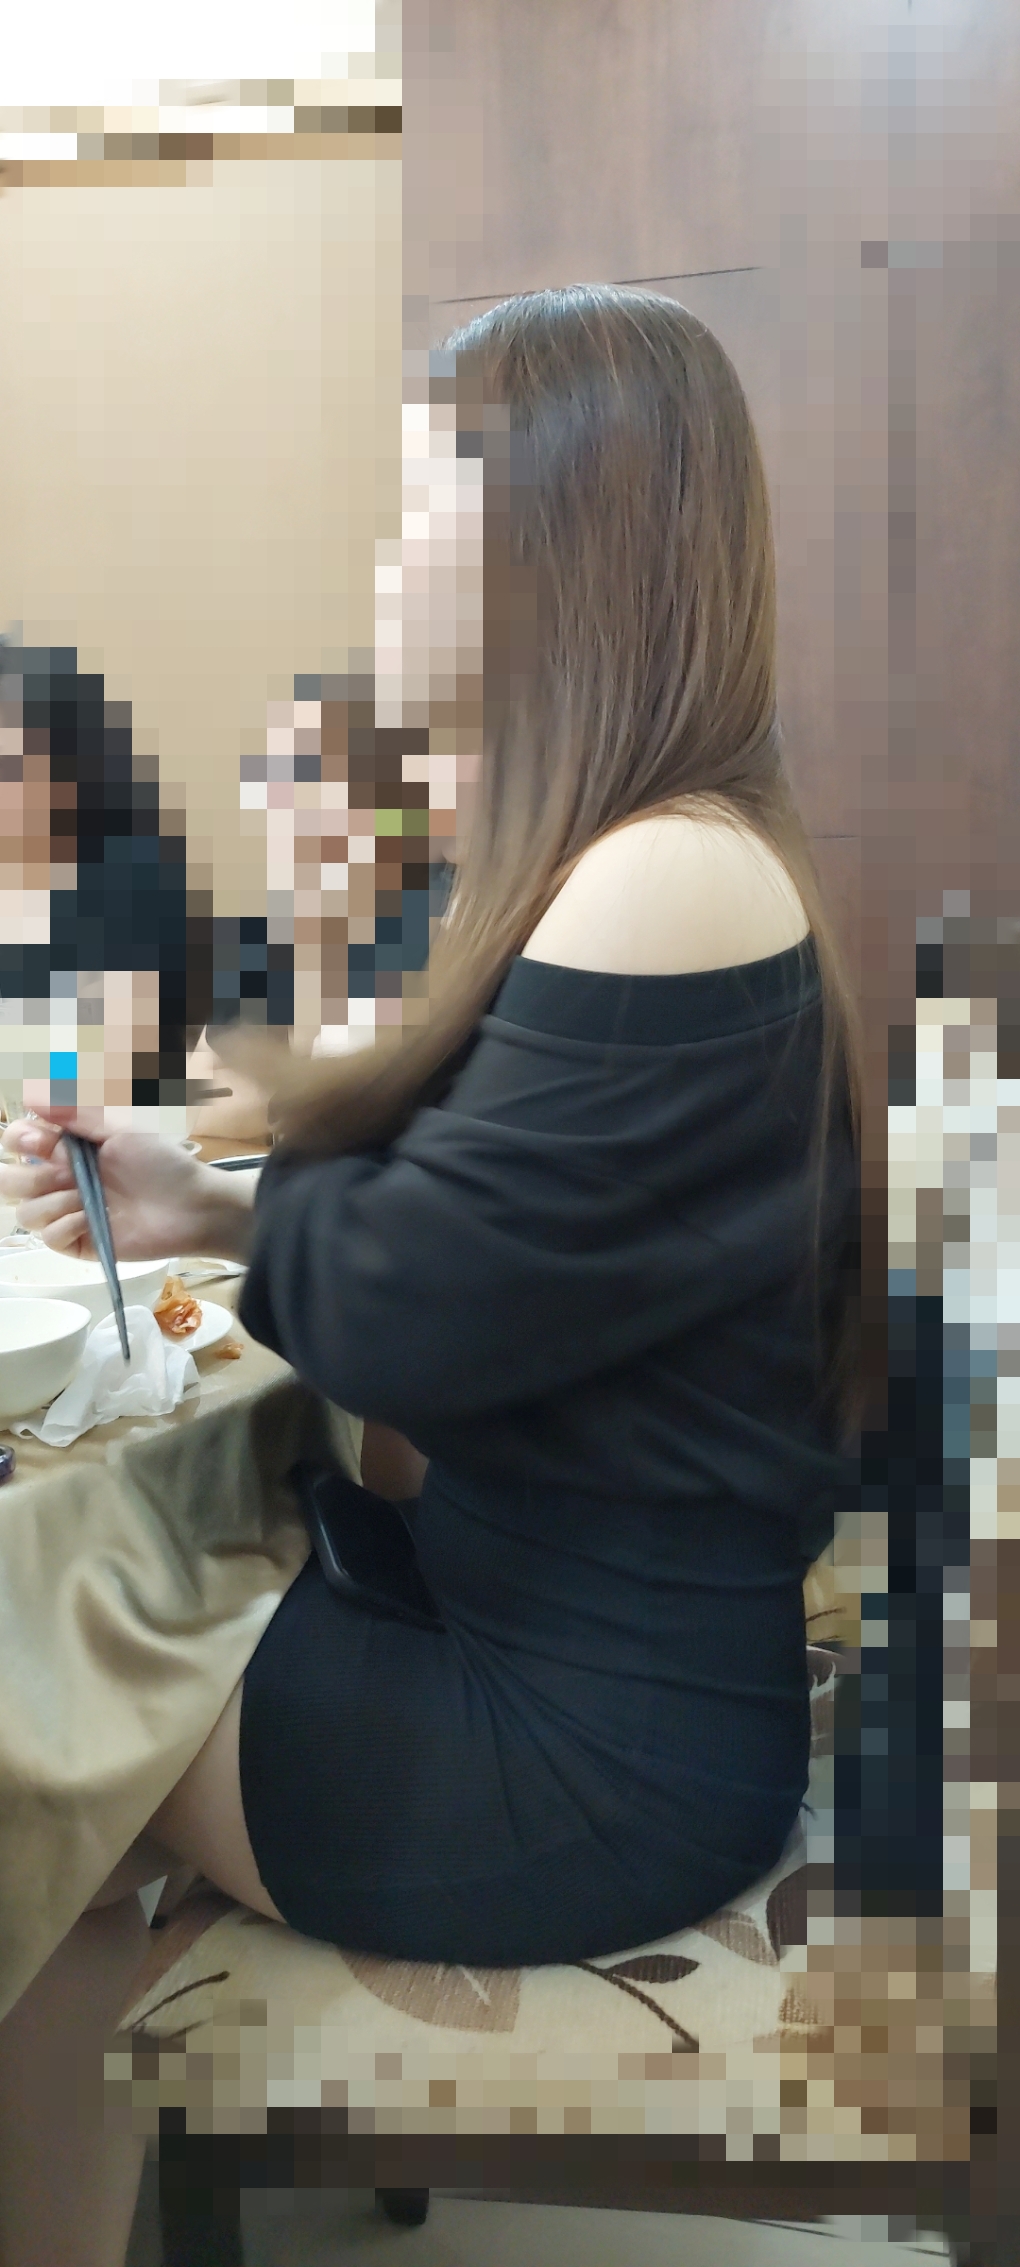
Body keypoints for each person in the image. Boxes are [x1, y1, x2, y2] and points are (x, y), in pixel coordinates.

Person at [0, 284, 861, 2265]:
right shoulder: (642, 858)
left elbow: (409, 1313)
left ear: (557, 530)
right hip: (579, 1666)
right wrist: (211, 1199)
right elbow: (458, 1234)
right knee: (69, 1729)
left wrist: (243, 1203)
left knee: (44, 1667)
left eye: (416, 508)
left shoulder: (663, 874)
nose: (385, 561)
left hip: (576, 1750)